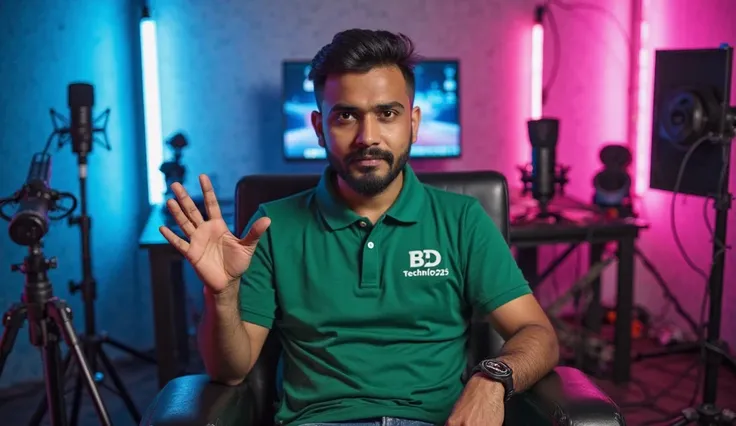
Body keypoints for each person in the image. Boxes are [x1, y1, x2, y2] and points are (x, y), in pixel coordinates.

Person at [160, 29, 559, 426]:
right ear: (319, 127)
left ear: (413, 123)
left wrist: (492, 380)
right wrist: (223, 294)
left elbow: (536, 333)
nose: (367, 138)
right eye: (346, 115)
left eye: (387, 114)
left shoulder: (463, 219)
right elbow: (230, 371)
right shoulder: (271, 225)